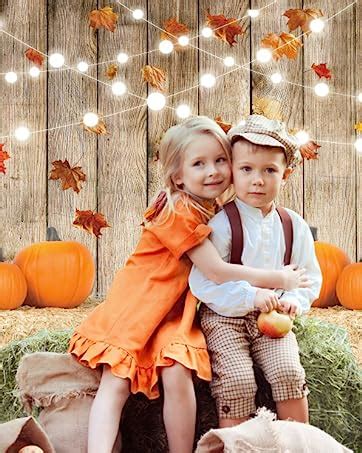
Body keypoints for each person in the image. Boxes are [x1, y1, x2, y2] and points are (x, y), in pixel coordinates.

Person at [68, 116, 308, 453]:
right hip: (142, 301)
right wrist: (279, 279)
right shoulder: (178, 211)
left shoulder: (214, 208)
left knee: (178, 370)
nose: (213, 171)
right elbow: (216, 270)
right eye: (199, 164)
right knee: (118, 378)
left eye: (220, 161)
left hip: (177, 308)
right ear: (178, 176)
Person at [189, 114, 323, 429]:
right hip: (224, 318)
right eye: (246, 169)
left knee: (289, 373)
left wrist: (294, 300)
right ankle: (238, 446)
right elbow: (205, 282)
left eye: (269, 171)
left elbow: (308, 277)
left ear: (286, 175)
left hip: (275, 318)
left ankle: (297, 444)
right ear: (232, 172)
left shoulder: (293, 225)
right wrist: (251, 296)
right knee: (237, 381)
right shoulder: (221, 224)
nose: (257, 180)